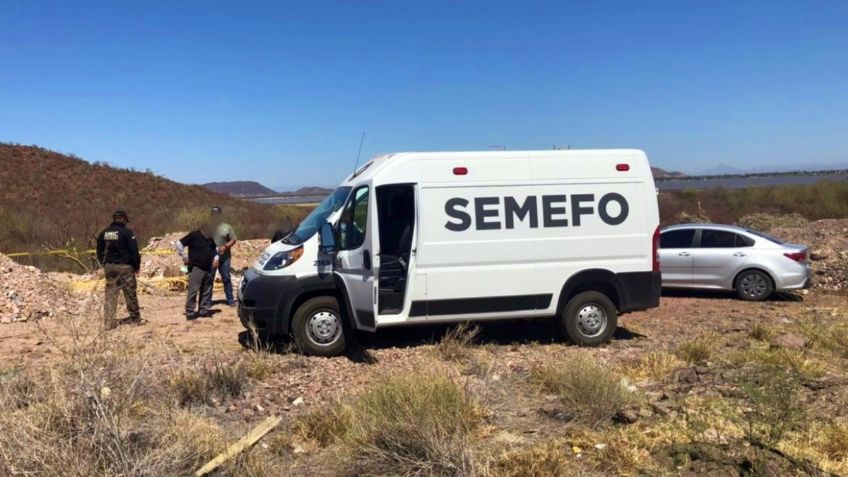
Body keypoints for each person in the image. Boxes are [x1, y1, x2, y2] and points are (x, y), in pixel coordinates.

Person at [96, 210, 142, 328]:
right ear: (123, 219)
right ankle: (134, 318)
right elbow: (134, 251)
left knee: (111, 293)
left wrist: (105, 264)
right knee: (129, 292)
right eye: (125, 220)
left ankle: (108, 321)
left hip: (109, 267)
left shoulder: (103, 233)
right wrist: (136, 266)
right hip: (125, 267)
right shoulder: (127, 233)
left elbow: (99, 252)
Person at [176, 224, 219, 320]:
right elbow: (179, 243)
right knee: (193, 290)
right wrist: (184, 256)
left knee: (206, 290)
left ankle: (203, 310)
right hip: (196, 267)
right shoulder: (193, 236)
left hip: (208, 267)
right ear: (203, 230)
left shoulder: (211, 238)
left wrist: (216, 259)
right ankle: (190, 312)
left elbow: (215, 250)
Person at [210, 206, 238, 306]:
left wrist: (226, 246)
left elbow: (233, 239)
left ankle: (230, 299)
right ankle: (207, 301)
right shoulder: (208, 227)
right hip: (211, 257)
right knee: (209, 278)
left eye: (217, 214)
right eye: (213, 214)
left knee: (226, 278)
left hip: (225, 257)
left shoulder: (227, 227)